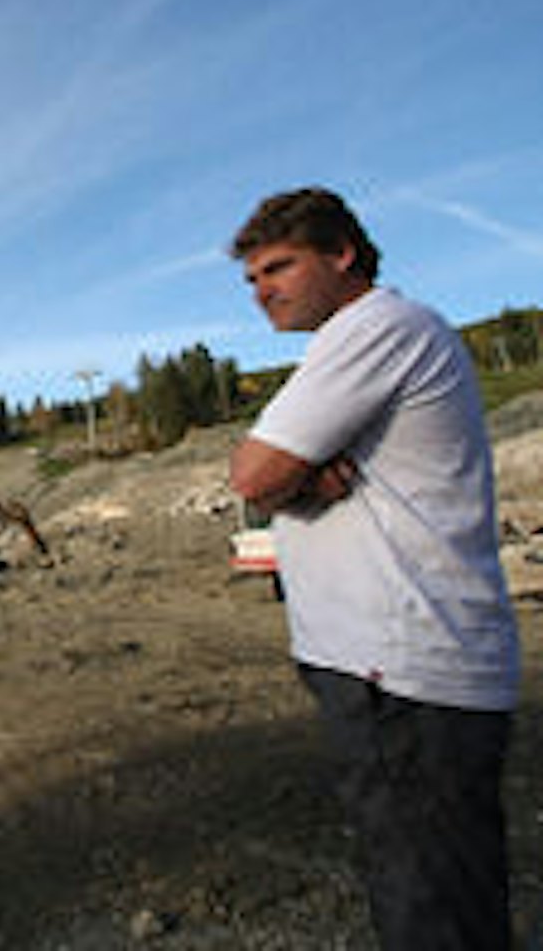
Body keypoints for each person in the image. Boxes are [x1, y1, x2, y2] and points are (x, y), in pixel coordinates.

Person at [227, 187, 520, 950]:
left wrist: (292, 480)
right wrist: (307, 480)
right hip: (398, 669)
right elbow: (272, 476)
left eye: (278, 267)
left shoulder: (372, 327)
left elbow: (253, 476)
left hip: (403, 674)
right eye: (252, 279)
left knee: (429, 906)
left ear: (342, 253)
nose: (262, 292)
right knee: (447, 886)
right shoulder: (377, 335)